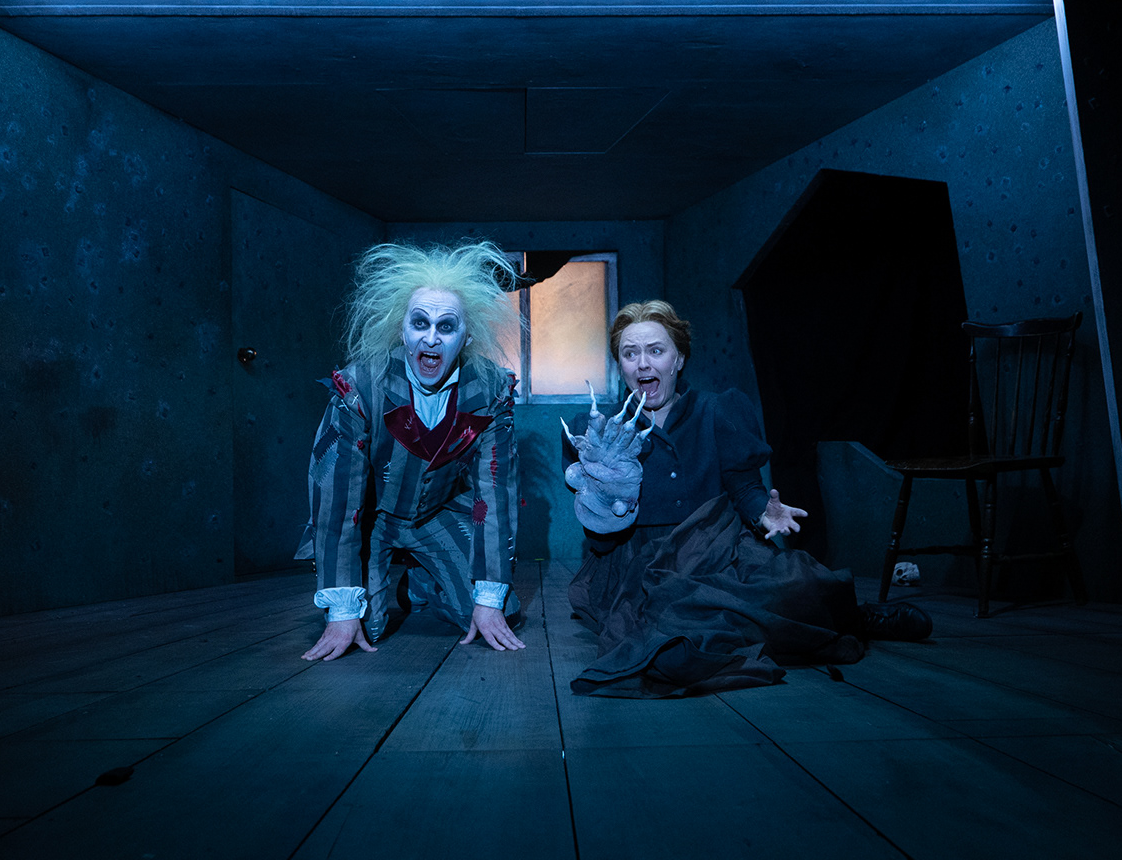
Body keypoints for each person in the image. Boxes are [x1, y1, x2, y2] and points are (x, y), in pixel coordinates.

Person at [563, 300, 930, 697]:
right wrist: (606, 503)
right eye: (630, 353)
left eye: (656, 350)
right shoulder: (597, 432)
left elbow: (744, 487)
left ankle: (856, 618)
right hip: (642, 561)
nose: (643, 364)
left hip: (718, 545)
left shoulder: (716, 410)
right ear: (619, 364)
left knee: (798, 586)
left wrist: (762, 512)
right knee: (667, 643)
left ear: (679, 359)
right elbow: (600, 541)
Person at [297, 242, 526, 661]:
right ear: (402, 330)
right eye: (420, 323)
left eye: (446, 327)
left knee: (499, 611)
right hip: (373, 518)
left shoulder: (491, 390)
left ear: (465, 338)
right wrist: (342, 610)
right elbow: (336, 498)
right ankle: (386, 585)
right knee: (363, 625)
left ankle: (423, 582)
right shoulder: (360, 386)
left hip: (438, 513)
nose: (431, 338)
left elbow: (495, 494)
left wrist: (489, 598)